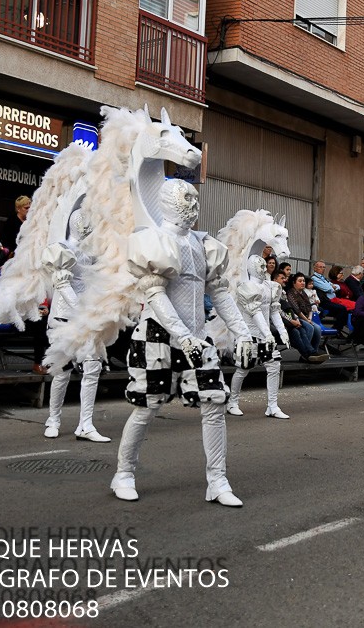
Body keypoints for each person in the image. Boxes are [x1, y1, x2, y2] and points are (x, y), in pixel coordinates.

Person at [112, 178, 259, 507]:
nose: (193, 204)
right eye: (186, 198)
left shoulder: (203, 244)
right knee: (147, 407)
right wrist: (182, 335)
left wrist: (242, 331)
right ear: (167, 202)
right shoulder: (154, 241)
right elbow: (155, 294)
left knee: (214, 405)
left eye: (195, 198)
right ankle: (123, 472)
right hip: (158, 336)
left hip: (197, 336)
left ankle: (217, 480)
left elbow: (219, 292)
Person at [42, 208, 110, 443]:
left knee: (93, 367)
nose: (89, 227)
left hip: (86, 316)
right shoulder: (62, 249)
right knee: (62, 372)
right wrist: (83, 311)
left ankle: (86, 424)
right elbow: (62, 285)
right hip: (64, 316)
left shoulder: (92, 252)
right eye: (85, 223)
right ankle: (53, 419)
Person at [228, 255, 291, 419]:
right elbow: (255, 312)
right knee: (243, 368)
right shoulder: (246, 287)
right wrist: (268, 333)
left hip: (264, 336)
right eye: (261, 266)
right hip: (248, 335)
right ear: (251, 268)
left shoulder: (271, 287)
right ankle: (232, 402)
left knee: (274, 366)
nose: (264, 269)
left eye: (265, 266)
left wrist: (282, 330)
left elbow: (274, 311)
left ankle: (272, 405)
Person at [286, 272, 329, 362]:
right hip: (297, 317)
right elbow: (297, 310)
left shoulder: (304, 293)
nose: (303, 283)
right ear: (294, 283)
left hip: (306, 317)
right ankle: (306, 354)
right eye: (300, 281)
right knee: (310, 327)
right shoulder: (290, 293)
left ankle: (314, 353)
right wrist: (307, 320)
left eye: (304, 281)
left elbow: (309, 307)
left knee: (317, 328)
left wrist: (309, 318)